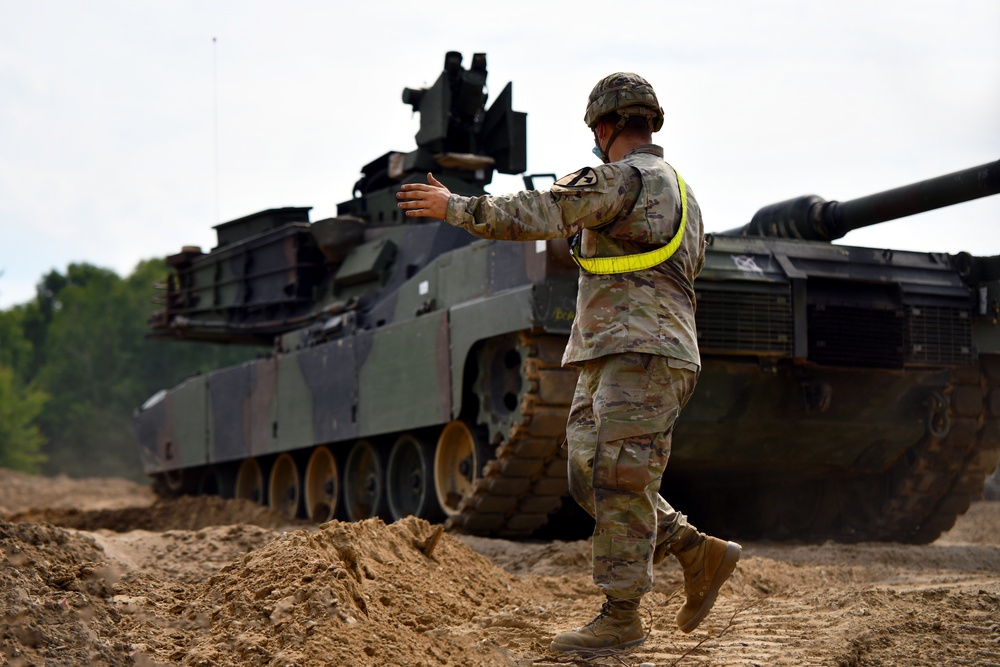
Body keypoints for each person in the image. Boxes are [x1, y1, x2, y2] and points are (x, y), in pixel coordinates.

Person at [396, 72, 741, 653]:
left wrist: (454, 207)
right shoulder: (685, 193)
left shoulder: (620, 178)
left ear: (604, 127)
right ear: (647, 122)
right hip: (619, 349)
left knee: (621, 477)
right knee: (589, 470)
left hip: (640, 351)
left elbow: (542, 210)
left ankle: (621, 615)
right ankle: (694, 549)